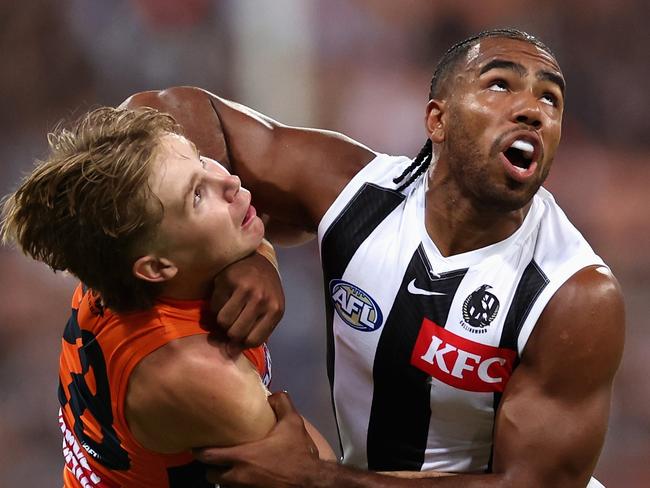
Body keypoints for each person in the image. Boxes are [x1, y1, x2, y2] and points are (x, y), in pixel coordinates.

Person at [123, 28, 624, 487]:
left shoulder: (573, 294)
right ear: (438, 119)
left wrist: (317, 480)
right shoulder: (357, 195)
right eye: (499, 85)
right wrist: (245, 253)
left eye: (550, 98)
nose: (532, 109)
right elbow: (161, 110)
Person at [0, 106, 334, 487]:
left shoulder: (114, 263)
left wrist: (261, 257)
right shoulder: (199, 374)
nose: (229, 181)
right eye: (196, 196)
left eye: (201, 159)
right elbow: (323, 472)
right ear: (156, 268)